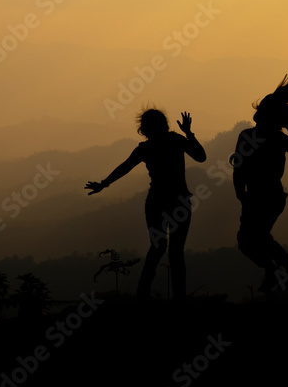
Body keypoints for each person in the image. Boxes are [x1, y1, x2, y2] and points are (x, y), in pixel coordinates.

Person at [86, 108, 206, 299]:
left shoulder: (146, 149)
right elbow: (201, 156)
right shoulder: (176, 140)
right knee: (176, 252)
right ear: (165, 125)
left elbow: (124, 167)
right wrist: (189, 133)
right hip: (179, 201)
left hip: (156, 202)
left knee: (158, 248)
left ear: (144, 129)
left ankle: (143, 294)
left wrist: (104, 184)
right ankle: (178, 299)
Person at [232, 75, 288, 292]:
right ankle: (281, 272)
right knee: (254, 239)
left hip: (265, 196)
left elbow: (238, 169)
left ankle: (281, 272)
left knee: (251, 240)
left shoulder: (262, 137)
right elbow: (238, 169)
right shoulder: (269, 137)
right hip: (265, 196)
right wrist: (241, 194)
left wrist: (240, 194)